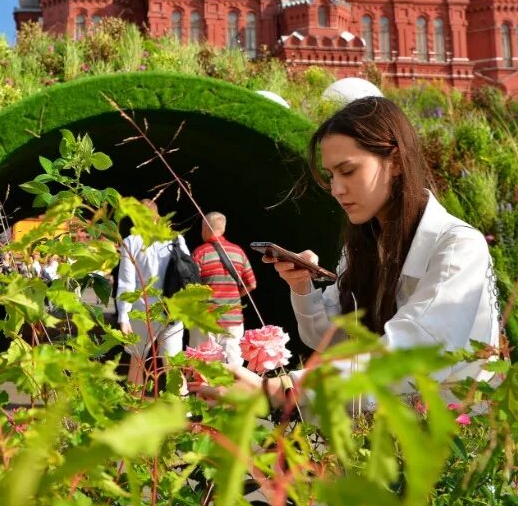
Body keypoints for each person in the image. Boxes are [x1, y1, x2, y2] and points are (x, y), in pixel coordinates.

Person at [199, 97, 500, 407]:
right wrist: (302, 286)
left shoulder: (457, 247)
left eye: (348, 171)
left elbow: (413, 352)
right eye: (331, 176)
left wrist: (282, 390)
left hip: (455, 439)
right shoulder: (365, 246)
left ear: (395, 161)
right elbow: (332, 338)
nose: (337, 189)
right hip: (381, 435)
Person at [116, 199, 189, 389]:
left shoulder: (131, 241)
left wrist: (123, 316)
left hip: (144, 309)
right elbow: (188, 272)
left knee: (137, 360)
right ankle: (181, 409)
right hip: (173, 308)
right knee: (173, 362)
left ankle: (135, 407)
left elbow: (126, 282)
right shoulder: (177, 239)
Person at [189, 211, 257, 366]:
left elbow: (191, 288)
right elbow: (252, 284)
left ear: (205, 228)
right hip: (233, 319)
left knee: (204, 365)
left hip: (205, 319)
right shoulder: (238, 252)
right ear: (223, 229)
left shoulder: (200, 253)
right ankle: (233, 391)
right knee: (233, 365)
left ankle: (205, 390)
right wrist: (235, 297)